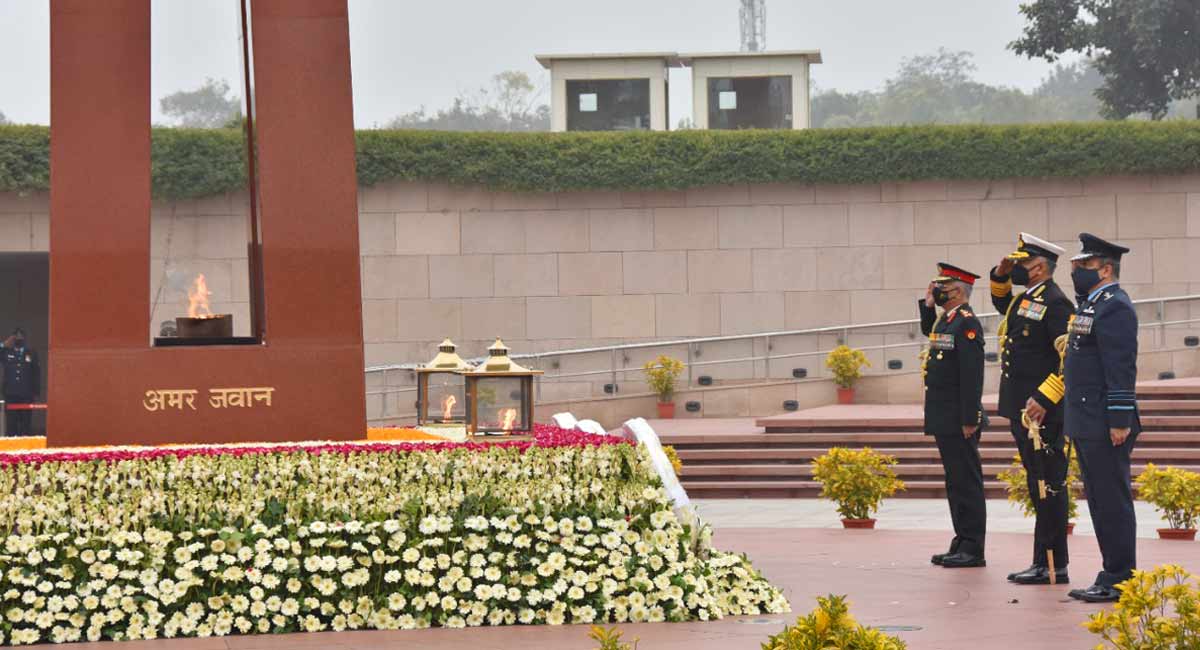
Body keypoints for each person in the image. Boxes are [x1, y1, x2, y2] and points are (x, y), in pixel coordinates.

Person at [990, 233, 1074, 585]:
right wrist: (1000, 274)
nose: (1018, 269)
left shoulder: (1056, 303)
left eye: (1022, 264)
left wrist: (1045, 397)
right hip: (1023, 409)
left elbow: (1069, 358)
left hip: (1043, 413)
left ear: (1038, 267)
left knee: (1048, 485)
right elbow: (1002, 307)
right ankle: (1042, 560)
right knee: (1036, 481)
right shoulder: (1028, 299)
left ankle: (1054, 564)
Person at [1063, 233, 1139, 603]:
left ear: (1106, 269)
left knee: (1112, 500)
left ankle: (1120, 576)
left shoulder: (1115, 306)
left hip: (1106, 421)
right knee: (1098, 499)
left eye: (1085, 266)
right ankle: (1110, 572)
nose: (1076, 271)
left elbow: (1120, 367)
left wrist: (1120, 419)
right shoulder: (1091, 305)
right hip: (1087, 416)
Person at [919, 263, 987, 568]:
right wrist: (927, 305)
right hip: (944, 415)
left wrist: (970, 417)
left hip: (961, 418)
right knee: (955, 481)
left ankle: (973, 548)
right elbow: (929, 332)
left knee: (966, 481)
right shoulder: (947, 321)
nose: (937, 289)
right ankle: (961, 540)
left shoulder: (967, 323)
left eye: (941, 285)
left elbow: (972, 374)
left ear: (958, 290)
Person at [1, 327, 41, 437]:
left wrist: (36, 391)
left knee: (26, 422)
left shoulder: (31, 352)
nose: (19, 338)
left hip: (26, 394)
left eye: (21, 336)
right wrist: (3, 344)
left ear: (25, 338)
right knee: (11, 423)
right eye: (16, 336)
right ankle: (10, 447)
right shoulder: (6, 352)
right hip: (11, 393)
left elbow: (36, 373)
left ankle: (25, 447)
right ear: (12, 339)